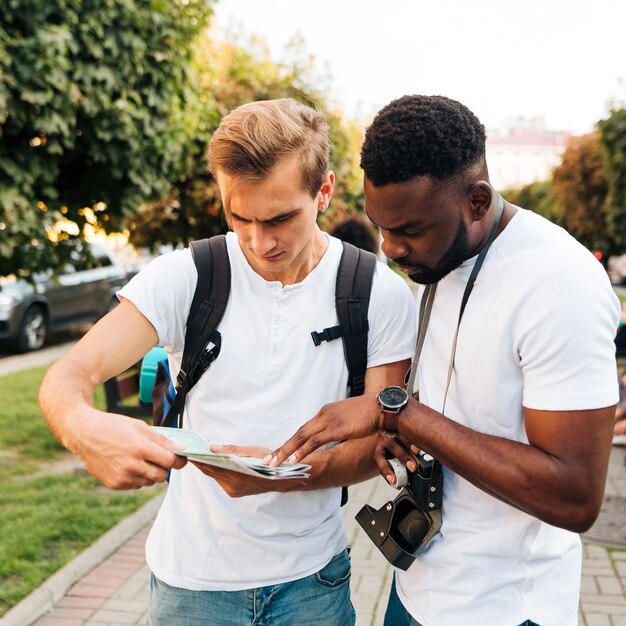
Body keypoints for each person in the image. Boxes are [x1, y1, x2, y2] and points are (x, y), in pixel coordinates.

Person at [38, 98, 416, 626]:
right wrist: (83, 429)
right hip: (191, 584)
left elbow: (379, 443)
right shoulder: (187, 276)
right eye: (240, 218)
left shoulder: (379, 294)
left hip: (312, 582)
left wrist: (277, 477)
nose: (260, 243)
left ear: (324, 190)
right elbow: (69, 375)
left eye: (281, 218)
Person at [268, 95, 621, 626]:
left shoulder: (558, 282)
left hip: (504, 610)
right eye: (381, 226)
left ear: (477, 200)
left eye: (409, 231)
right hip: (417, 586)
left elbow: (575, 497)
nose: (391, 248)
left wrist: (398, 413)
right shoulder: (441, 258)